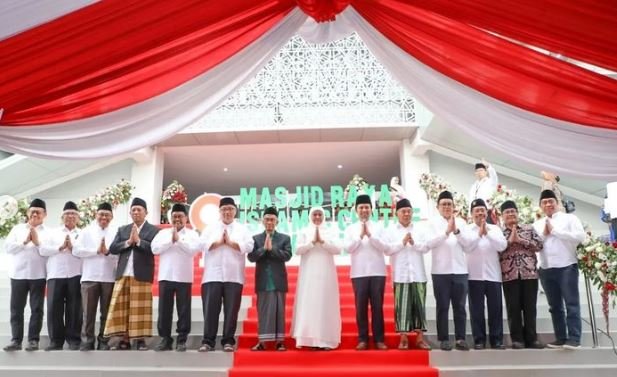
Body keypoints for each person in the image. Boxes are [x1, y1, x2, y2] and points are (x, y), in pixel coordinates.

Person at [198, 197, 254, 352]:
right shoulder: (210, 228)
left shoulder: (243, 229)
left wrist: (231, 243)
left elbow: (250, 246)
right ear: (219, 211)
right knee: (210, 311)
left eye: (230, 209)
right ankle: (208, 341)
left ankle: (228, 341)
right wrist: (217, 243)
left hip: (234, 276)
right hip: (212, 276)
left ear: (235, 211)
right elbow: (200, 244)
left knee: (231, 311)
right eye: (224, 209)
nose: (227, 212)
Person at [104, 197, 159, 351]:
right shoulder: (123, 229)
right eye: (133, 209)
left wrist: (139, 241)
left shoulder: (154, 230)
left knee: (140, 309)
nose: (136, 212)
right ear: (130, 212)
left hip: (141, 274)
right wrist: (128, 242)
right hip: (123, 274)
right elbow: (113, 248)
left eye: (139, 209)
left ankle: (140, 340)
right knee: (122, 308)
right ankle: (124, 339)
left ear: (146, 212)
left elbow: (154, 248)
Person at [533, 190, 585, 349]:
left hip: (567, 266)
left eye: (551, 201)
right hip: (546, 268)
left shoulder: (569, 218)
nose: (548, 204)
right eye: (544, 202)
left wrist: (555, 231)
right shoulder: (537, 224)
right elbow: (535, 245)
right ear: (540, 205)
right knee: (554, 306)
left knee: (571, 303)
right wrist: (544, 234)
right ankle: (561, 337)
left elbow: (580, 237)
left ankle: (574, 338)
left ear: (557, 202)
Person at [426, 190, 474, 351]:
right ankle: (444, 339)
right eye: (444, 204)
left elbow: (468, 245)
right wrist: (446, 232)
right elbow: (429, 243)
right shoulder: (432, 223)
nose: (447, 207)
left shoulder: (461, 222)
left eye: (449, 204)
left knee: (460, 306)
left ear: (453, 206)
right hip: (440, 271)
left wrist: (457, 232)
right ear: (437, 207)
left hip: (460, 270)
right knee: (443, 306)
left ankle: (461, 338)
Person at [151, 203, 200, 352]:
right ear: (170, 218)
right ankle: (165, 339)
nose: (177, 219)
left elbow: (193, 251)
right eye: (174, 216)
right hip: (166, 276)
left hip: (184, 277)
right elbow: (154, 249)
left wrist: (178, 240)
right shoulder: (163, 233)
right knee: (164, 310)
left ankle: (182, 339)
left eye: (180, 216)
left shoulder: (192, 234)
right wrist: (170, 240)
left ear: (186, 218)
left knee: (184, 310)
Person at [291, 206, 342, 350]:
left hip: (326, 273)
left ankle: (325, 340)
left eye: (320, 214)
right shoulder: (304, 231)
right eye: (315, 214)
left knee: (325, 302)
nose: (317, 217)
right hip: (309, 274)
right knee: (309, 302)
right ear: (310, 216)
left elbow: (338, 249)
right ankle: (308, 339)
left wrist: (323, 242)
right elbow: (297, 250)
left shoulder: (330, 231)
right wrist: (312, 242)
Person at [344, 194, 389, 351]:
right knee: (360, 308)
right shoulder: (350, 229)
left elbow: (385, 247)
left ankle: (379, 339)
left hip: (378, 272)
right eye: (361, 207)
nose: (364, 210)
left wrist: (370, 235)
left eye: (367, 207)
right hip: (358, 273)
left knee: (378, 307)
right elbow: (348, 248)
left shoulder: (379, 227)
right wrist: (359, 236)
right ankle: (362, 339)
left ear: (371, 209)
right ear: (356, 210)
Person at [384, 198, 431, 350]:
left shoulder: (419, 229)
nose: (406, 214)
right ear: (396, 213)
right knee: (402, 307)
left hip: (418, 274)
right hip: (401, 275)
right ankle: (403, 338)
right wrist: (402, 243)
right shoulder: (390, 230)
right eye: (403, 211)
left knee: (419, 306)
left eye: (409, 211)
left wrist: (414, 243)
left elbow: (426, 247)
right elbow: (387, 250)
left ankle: (420, 338)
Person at [3, 199, 48, 352]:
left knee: (37, 309)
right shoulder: (17, 229)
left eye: (39, 212)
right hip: (18, 275)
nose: (35, 214)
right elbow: (8, 247)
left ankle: (33, 340)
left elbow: (48, 251)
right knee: (16, 309)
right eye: (32, 211)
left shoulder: (49, 232)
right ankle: (16, 340)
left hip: (39, 275)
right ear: (28, 213)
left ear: (45, 215)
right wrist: (24, 242)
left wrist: (37, 242)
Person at [499, 200, 544, 349]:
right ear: (502, 216)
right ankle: (517, 339)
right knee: (513, 308)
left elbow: (539, 245)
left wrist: (522, 241)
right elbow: (495, 250)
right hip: (509, 274)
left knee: (530, 307)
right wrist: (509, 241)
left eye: (513, 211)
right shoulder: (498, 232)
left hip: (529, 273)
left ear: (517, 213)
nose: (511, 214)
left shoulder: (528, 228)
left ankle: (532, 339)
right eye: (507, 212)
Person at [73, 202, 118, 351]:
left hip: (109, 278)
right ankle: (87, 340)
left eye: (107, 215)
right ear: (96, 215)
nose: (104, 217)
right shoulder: (86, 231)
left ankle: (104, 341)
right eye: (101, 214)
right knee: (88, 312)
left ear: (111, 217)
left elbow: (119, 255)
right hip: (89, 277)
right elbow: (76, 251)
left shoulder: (116, 233)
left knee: (106, 313)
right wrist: (96, 251)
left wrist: (107, 252)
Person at [39, 201, 83, 351]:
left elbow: (86, 251)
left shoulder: (82, 234)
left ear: (78, 218)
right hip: (55, 274)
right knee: (54, 308)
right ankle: (56, 341)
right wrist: (60, 248)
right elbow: (43, 250)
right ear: (62, 217)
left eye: (73, 214)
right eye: (67, 214)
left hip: (76, 274)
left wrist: (73, 248)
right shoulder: (53, 233)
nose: (70, 216)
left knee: (75, 308)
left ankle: (74, 340)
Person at [464, 199, 507, 350]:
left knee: (495, 309)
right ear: (471, 214)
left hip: (493, 275)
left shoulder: (495, 229)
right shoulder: (466, 230)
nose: (480, 213)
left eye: (482, 210)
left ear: (486, 212)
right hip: (473, 275)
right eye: (477, 211)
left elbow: (502, 246)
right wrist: (478, 235)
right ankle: (479, 340)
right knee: (476, 310)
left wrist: (487, 233)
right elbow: (466, 247)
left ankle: (496, 340)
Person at [247, 206, 292, 351]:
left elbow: (287, 255)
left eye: (272, 219)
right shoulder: (256, 239)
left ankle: (279, 342)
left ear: (277, 221)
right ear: (262, 221)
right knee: (263, 312)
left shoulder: (285, 238)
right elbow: (251, 257)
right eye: (267, 219)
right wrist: (263, 249)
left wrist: (272, 249)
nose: (269, 222)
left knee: (279, 312)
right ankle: (262, 342)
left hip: (278, 280)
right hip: (263, 281)